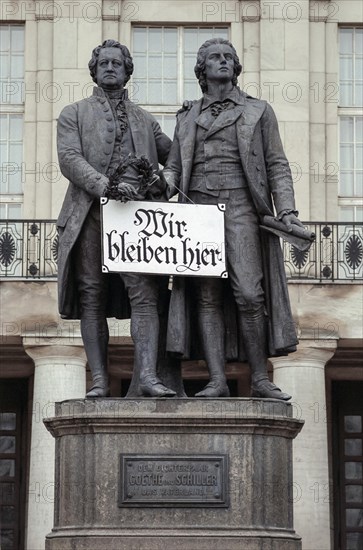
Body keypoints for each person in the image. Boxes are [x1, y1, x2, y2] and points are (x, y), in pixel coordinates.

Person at [164, 38, 303, 399]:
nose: (223, 61)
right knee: (206, 296)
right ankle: (216, 380)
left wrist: (286, 209)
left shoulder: (259, 110)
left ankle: (258, 377)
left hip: (240, 204)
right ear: (202, 70)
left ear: (236, 68)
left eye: (229, 57)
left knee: (249, 293)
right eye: (215, 57)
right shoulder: (186, 116)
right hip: (197, 209)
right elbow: (174, 170)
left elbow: (277, 164)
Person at [57, 39, 176, 398]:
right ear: (94, 70)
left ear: (127, 72)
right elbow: (69, 158)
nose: (110, 67)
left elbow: (175, 159)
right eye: (104, 63)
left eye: (117, 63)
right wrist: (104, 185)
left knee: (144, 295)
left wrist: (163, 182)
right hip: (90, 213)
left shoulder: (145, 119)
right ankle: (98, 380)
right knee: (91, 294)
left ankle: (148, 378)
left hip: (135, 220)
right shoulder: (73, 113)